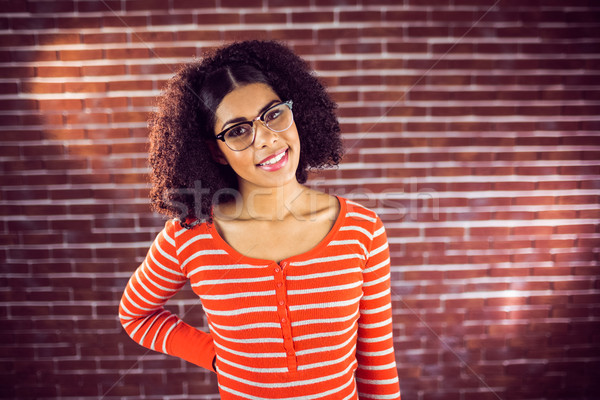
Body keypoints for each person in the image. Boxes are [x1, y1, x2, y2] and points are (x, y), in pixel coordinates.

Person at [119, 40, 401, 400]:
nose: (267, 138)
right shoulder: (188, 236)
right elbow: (136, 315)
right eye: (238, 130)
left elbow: (377, 364)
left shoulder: (363, 230)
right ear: (214, 152)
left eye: (274, 114)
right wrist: (216, 356)